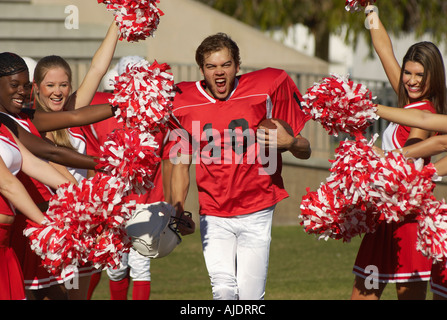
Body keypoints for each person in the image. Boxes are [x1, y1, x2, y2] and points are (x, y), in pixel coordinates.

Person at [167, 33, 311, 300]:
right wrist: (178, 207)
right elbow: (179, 164)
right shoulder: (183, 102)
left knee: (250, 297)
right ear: (201, 70)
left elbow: (306, 151)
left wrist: (290, 141)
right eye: (211, 66)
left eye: (226, 65)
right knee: (222, 290)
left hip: (257, 207)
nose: (219, 72)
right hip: (214, 210)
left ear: (237, 66)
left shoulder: (265, 87)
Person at [350, 3, 447, 300]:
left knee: (407, 297)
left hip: (409, 220)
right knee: (362, 295)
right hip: (383, 218)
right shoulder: (407, 103)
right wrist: (369, 9)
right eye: (408, 72)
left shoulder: (427, 111)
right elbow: (383, 50)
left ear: (434, 76)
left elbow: (416, 146)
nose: (412, 81)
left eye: (420, 75)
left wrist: (380, 156)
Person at [0, 52, 116, 300]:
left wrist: (90, 193)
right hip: (33, 224)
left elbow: (41, 160)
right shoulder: (18, 120)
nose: (21, 91)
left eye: (25, 85)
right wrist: (47, 225)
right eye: (14, 85)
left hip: (26, 230)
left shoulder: (10, 123)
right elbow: (10, 184)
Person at [83, 56, 172, 300]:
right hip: (131, 202)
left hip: (127, 202)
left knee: (125, 267)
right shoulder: (161, 116)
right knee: (125, 268)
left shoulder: (101, 112)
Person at [0, 123, 72, 300]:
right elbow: (7, 184)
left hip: (4, 241)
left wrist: (83, 196)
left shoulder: (3, 127)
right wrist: (49, 228)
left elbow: (32, 164)